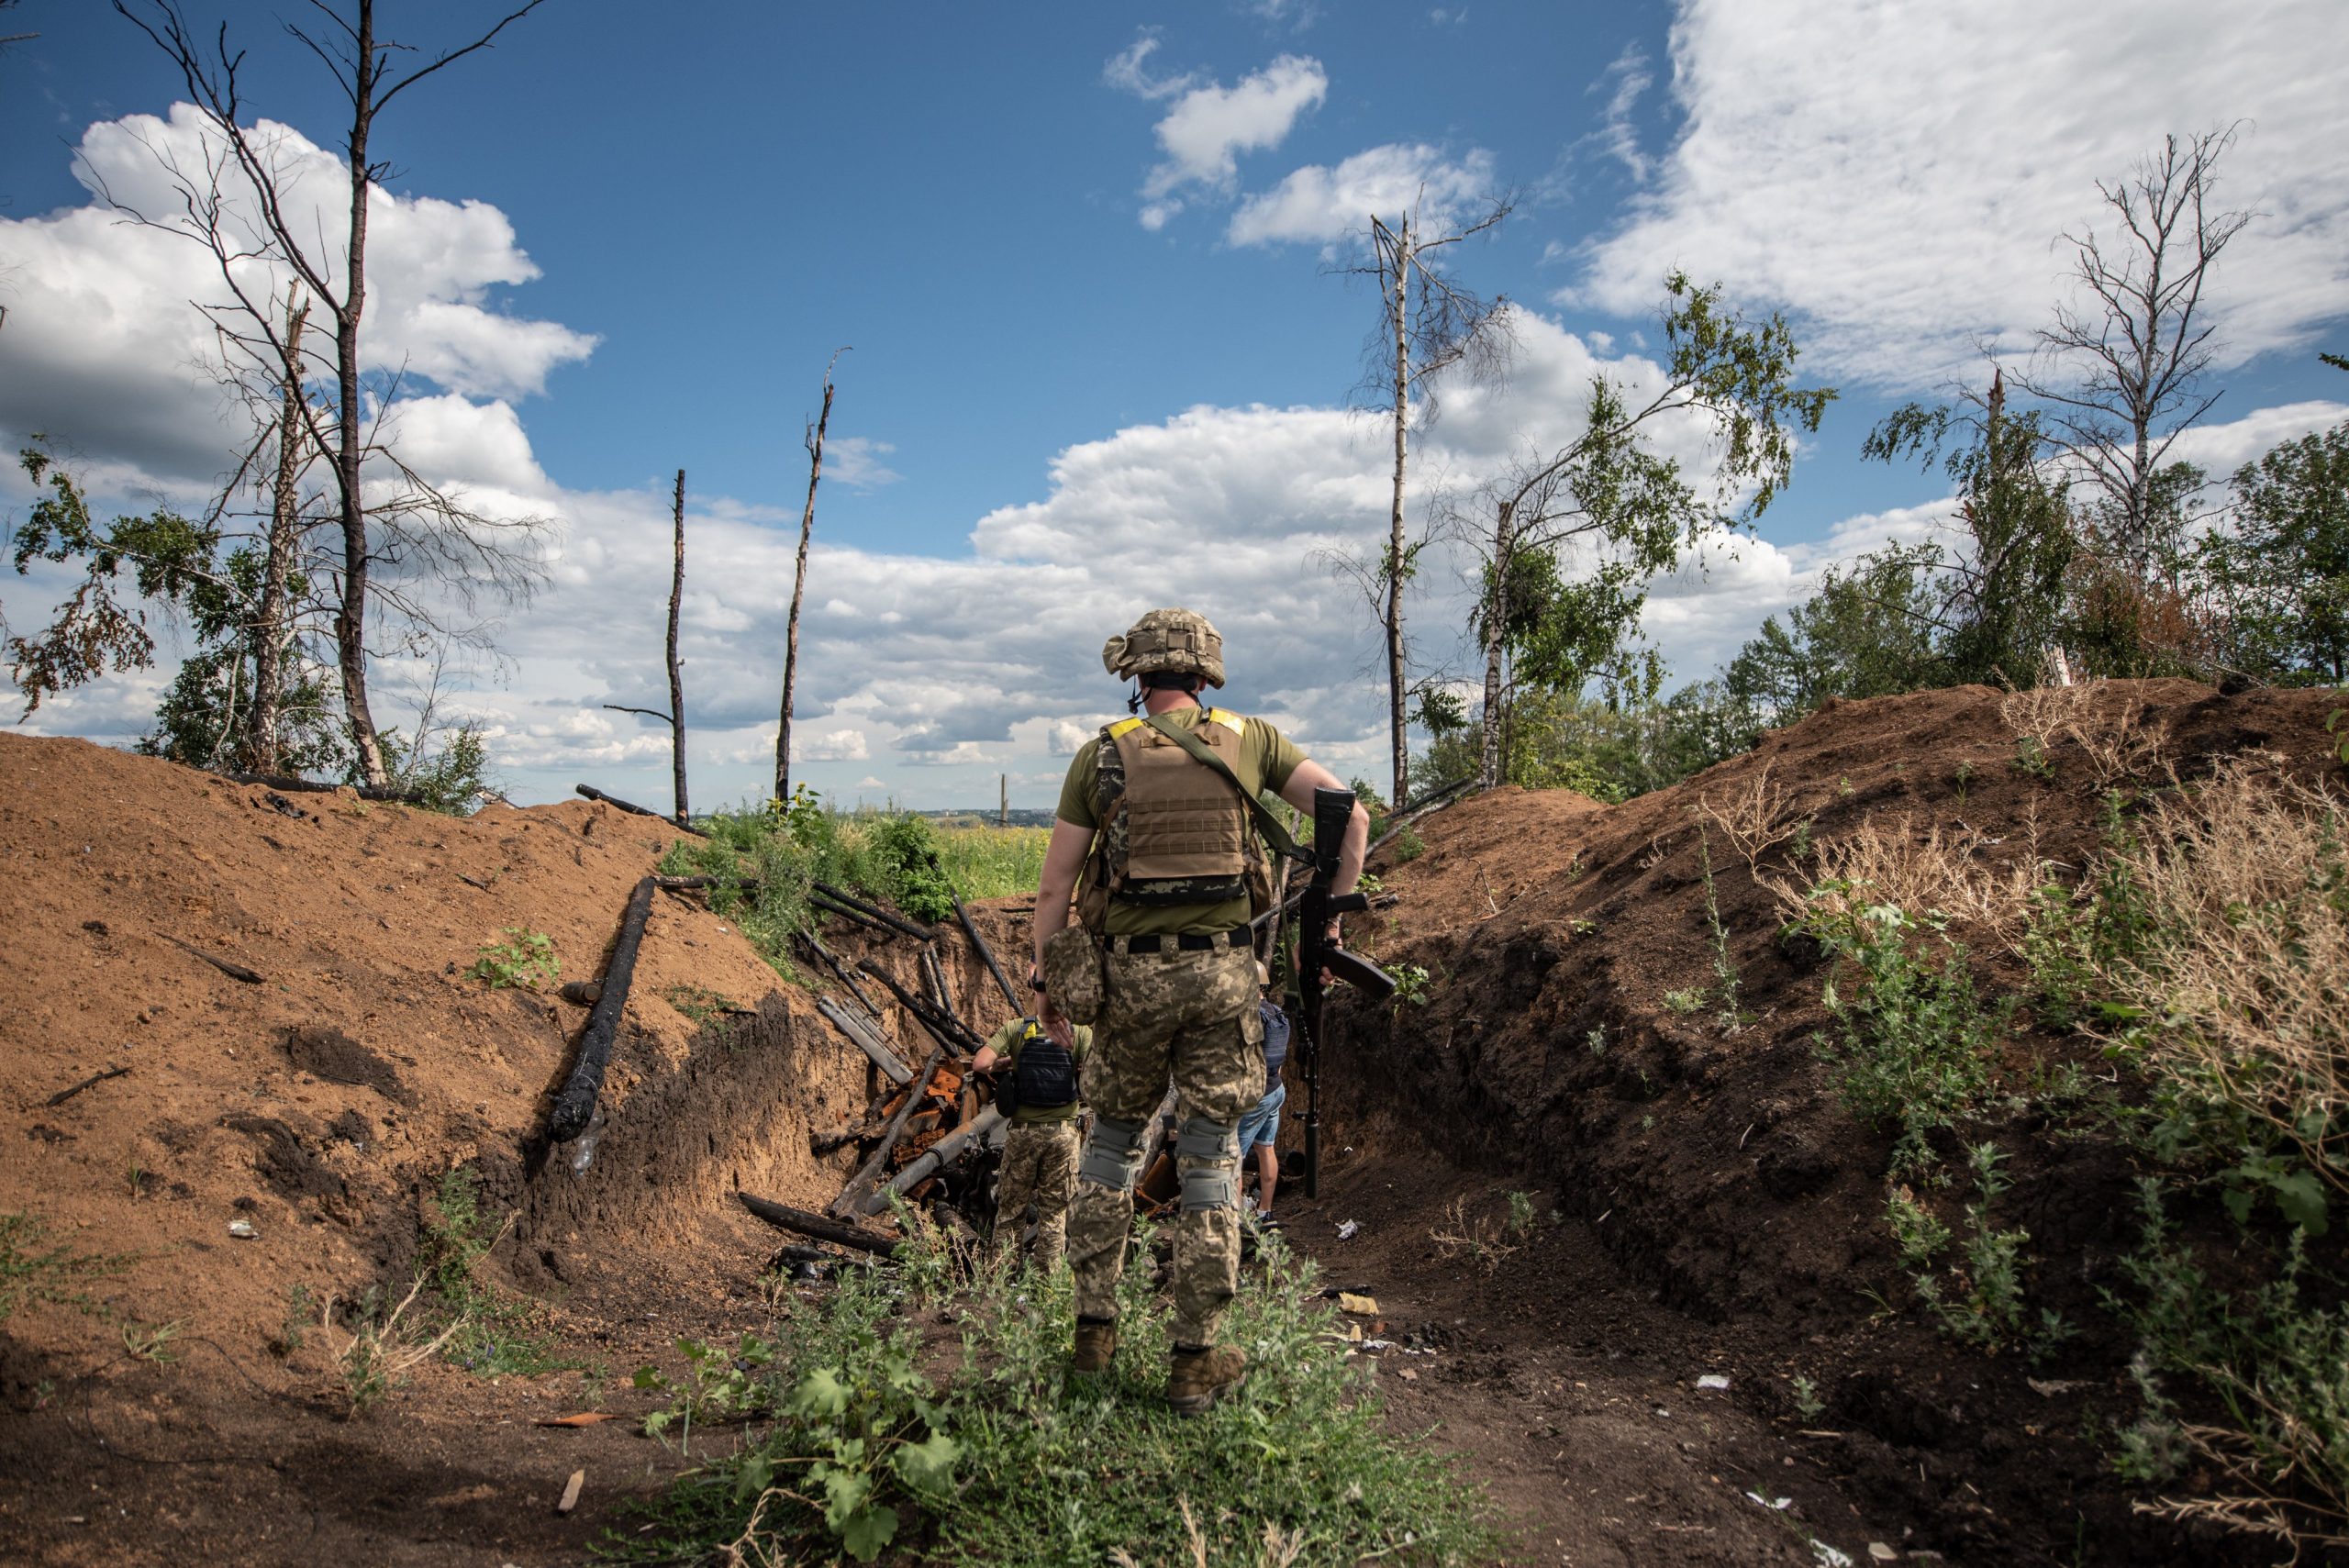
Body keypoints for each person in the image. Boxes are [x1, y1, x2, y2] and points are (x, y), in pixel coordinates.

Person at [1031, 606, 1369, 1415]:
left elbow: (1053, 889)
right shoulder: (1252, 740)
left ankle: (1093, 1337)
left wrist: (1048, 993)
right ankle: (1195, 1359)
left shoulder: (1101, 755)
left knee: (1109, 1147)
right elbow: (1348, 814)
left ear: (1137, 675)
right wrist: (1329, 921)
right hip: (1222, 982)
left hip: (1127, 986)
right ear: (1207, 672)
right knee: (1214, 1159)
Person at [971, 1007, 1092, 1273]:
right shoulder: (1078, 1031)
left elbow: (979, 1064)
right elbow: (1100, 1068)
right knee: (1054, 1212)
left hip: (1023, 1134)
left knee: (1011, 1209)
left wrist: (1003, 1063)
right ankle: (1047, 1283)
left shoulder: (1016, 1028)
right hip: (1063, 1135)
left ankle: (1002, 1275)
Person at [1238, 966, 1290, 1221]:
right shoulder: (1276, 1013)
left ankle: (1235, 1218)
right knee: (1266, 1149)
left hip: (1257, 1095)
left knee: (1233, 1157)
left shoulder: (1251, 1017)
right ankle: (1265, 1211)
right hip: (1276, 1088)